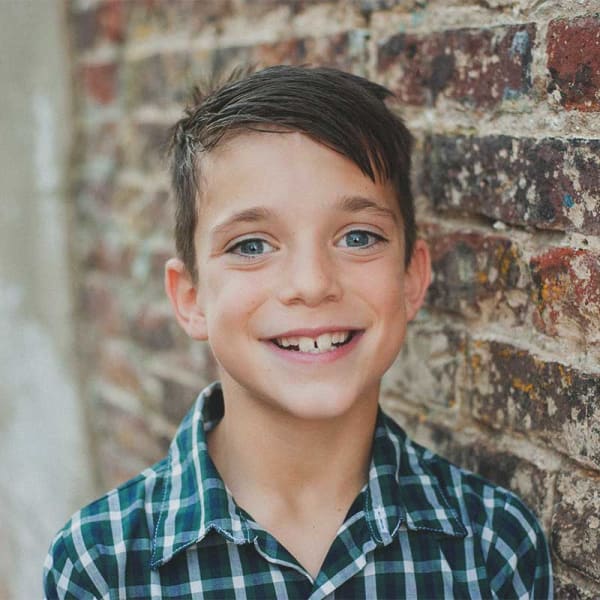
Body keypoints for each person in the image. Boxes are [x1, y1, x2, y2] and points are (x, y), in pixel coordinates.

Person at [44, 65, 553, 599]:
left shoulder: (492, 546)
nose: (311, 285)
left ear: (411, 279)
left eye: (358, 237)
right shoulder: (102, 567)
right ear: (191, 299)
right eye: (251, 246)